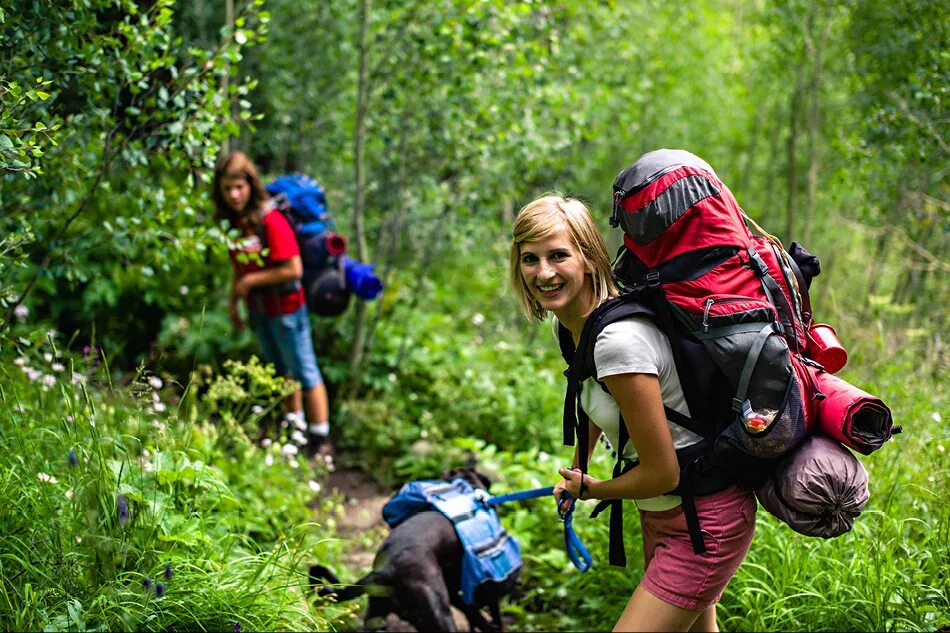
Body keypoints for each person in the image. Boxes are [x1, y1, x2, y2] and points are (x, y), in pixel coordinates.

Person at [508, 194, 755, 632]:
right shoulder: (574, 326)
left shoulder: (617, 343)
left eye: (558, 255)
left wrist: (595, 488)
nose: (543, 273)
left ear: (587, 257)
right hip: (666, 515)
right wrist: (579, 465)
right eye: (531, 258)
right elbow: (592, 395)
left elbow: (663, 473)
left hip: (703, 520)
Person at [212, 150, 332, 456]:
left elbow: (293, 269)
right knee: (280, 372)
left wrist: (251, 283)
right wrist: (234, 305)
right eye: (227, 188)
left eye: (239, 186)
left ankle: (320, 442)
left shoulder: (272, 221)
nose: (234, 194)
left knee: (304, 371)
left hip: (289, 308)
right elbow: (238, 269)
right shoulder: (234, 224)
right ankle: (294, 431)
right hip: (259, 310)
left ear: (251, 184)